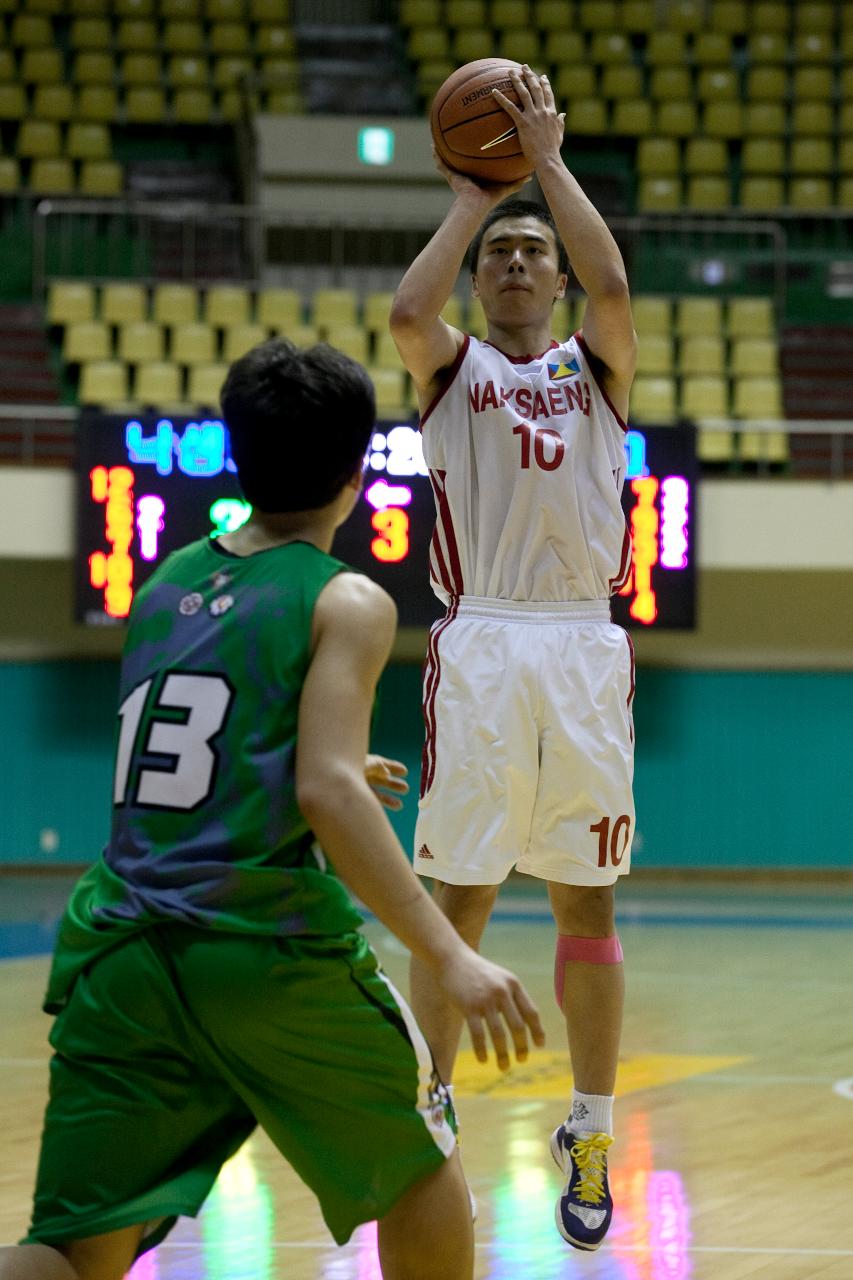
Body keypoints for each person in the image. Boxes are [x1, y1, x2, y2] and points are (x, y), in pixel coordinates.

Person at [0, 339, 545, 1280]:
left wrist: (308, 754)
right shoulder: (349, 599)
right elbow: (323, 790)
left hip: (125, 952)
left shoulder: (165, 581)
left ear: (236, 455)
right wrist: (449, 955)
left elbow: (209, 747)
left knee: (72, 1253)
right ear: (356, 471)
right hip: (264, 949)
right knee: (422, 1167)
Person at [389, 66, 638, 1253]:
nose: (520, 265)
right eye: (502, 256)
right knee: (464, 895)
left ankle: (589, 1125)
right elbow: (402, 314)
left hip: (583, 638)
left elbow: (616, 279)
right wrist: (468, 197)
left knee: (585, 893)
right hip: (484, 630)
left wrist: (539, 167)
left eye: (532, 253)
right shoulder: (454, 369)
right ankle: (429, 1100)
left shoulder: (596, 369)